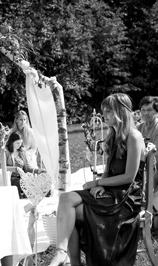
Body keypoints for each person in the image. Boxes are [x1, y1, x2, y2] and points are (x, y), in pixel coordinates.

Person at [49, 93, 145, 266]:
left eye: (108, 111)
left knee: (70, 212)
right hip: (112, 192)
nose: (104, 116)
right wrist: (102, 183)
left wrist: (98, 183)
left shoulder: (134, 137)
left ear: (120, 112)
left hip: (126, 198)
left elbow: (130, 177)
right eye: (103, 112)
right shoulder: (114, 136)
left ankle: (72, 260)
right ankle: (63, 254)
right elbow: (108, 171)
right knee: (65, 199)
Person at [5, 131, 45, 198]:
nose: (19, 145)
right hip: (11, 177)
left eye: (20, 143)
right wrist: (15, 169)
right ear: (12, 142)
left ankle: (34, 198)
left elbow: (27, 167)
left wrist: (37, 171)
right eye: (17, 143)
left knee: (34, 182)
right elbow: (3, 167)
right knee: (25, 183)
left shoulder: (22, 151)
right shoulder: (6, 152)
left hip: (23, 176)